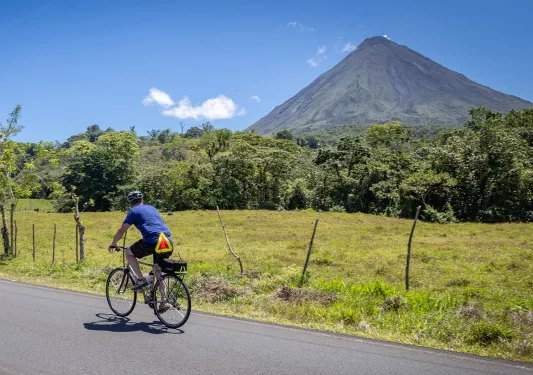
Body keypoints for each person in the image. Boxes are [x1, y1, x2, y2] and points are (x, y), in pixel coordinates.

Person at [109, 190, 173, 291]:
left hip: (152, 241)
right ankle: (163, 301)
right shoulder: (153, 208)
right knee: (158, 271)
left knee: (128, 252)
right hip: (167, 240)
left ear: (130, 203)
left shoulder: (133, 211)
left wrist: (113, 243)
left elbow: (122, 230)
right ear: (142, 200)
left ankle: (140, 280)